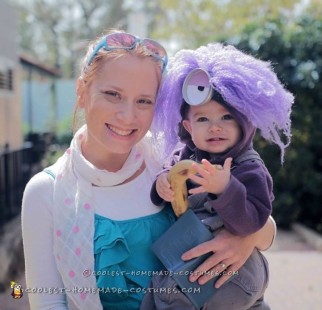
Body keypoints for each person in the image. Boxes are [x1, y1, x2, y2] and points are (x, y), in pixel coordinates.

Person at [21, 30, 277, 310]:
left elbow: (266, 226)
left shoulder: (168, 163)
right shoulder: (47, 191)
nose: (128, 116)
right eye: (112, 94)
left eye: (144, 101)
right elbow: (47, 302)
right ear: (82, 91)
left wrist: (242, 238)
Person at [142, 43, 294, 309]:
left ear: (245, 121)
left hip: (236, 272)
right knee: (158, 294)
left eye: (226, 117)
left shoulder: (248, 168)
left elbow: (252, 223)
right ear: (188, 126)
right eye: (202, 119)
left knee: (178, 297)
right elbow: (170, 177)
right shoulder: (186, 155)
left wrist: (226, 189)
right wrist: (163, 184)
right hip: (194, 261)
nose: (214, 127)